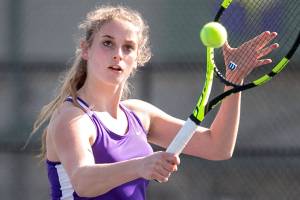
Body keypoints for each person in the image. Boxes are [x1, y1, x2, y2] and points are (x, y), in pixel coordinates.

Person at [30, 5, 279, 200]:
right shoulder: (72, 118)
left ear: (139, 58)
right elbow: (83, 182)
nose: (118, 53)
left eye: (128, 47)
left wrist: (234, 81)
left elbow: (218, 146)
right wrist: (142, 165)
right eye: (107, 43)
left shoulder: (139, 114)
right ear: (86, 50)